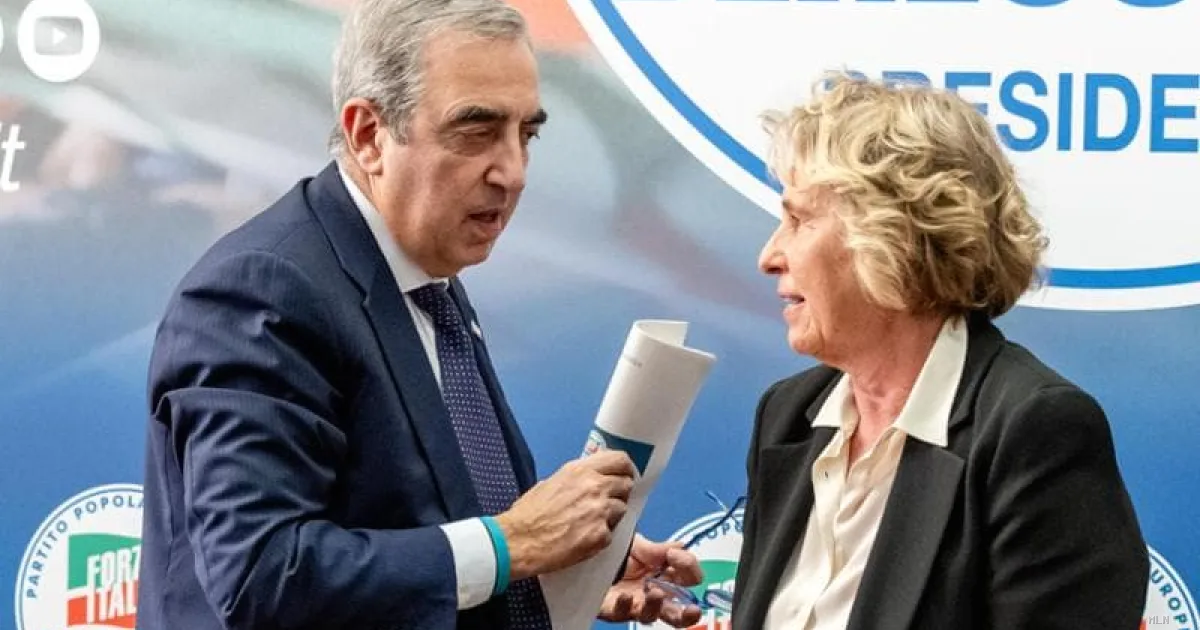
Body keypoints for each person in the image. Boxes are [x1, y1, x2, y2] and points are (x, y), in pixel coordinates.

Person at [136, 1, 702, 629]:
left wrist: (555, 573)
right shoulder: (264, 289)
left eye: (527, 134)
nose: (513, 171)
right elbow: (263, 575)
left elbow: (435, 534)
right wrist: (513, 544)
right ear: (368, 135)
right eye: (476, 131)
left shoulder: (425, 279)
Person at [730, 73, 1149, 630]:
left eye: (799, 220)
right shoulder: (788, 417)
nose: (769, 256)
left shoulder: (1033, 431)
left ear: (893, 236)